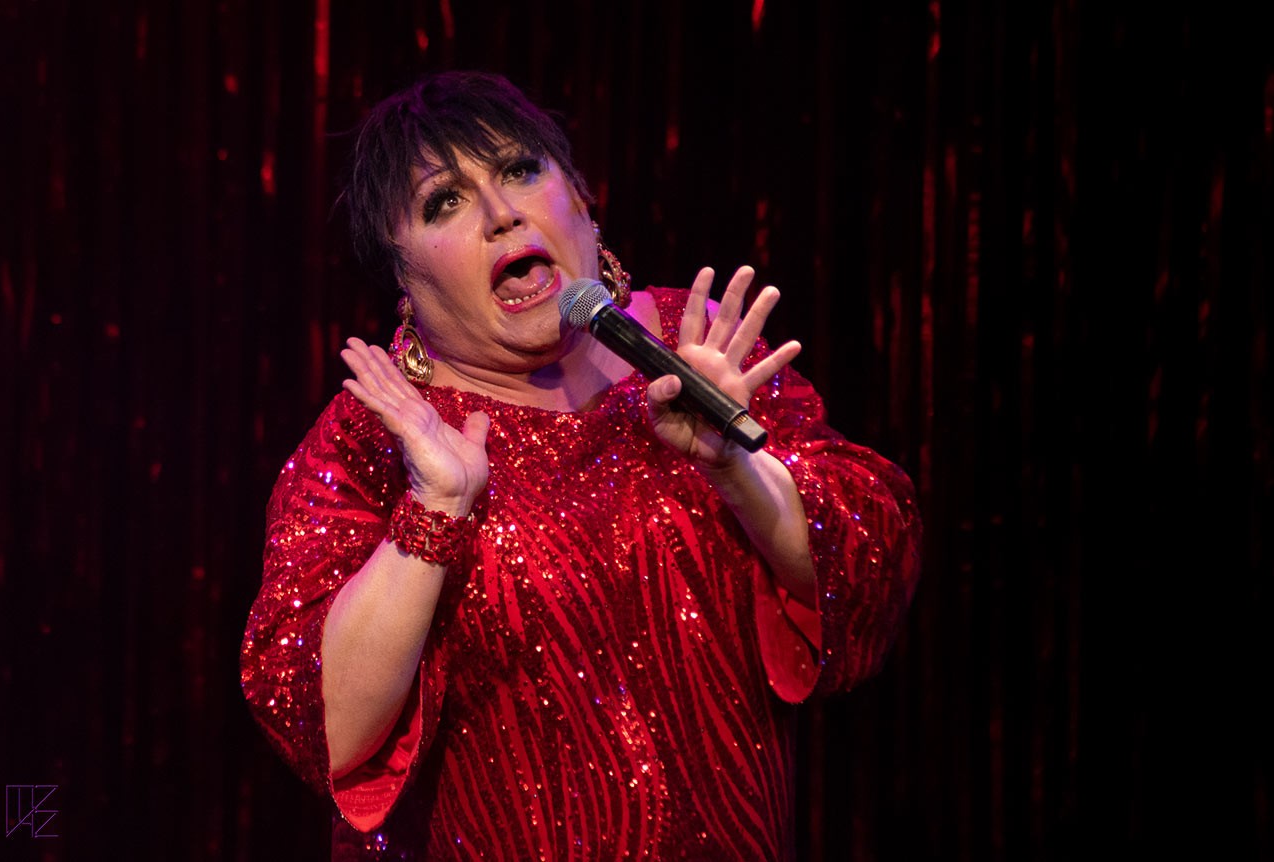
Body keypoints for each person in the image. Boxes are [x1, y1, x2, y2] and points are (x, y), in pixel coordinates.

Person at [241, 69, 921, 860]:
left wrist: (734, 467)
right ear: (402, 275)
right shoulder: (374, 434)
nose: (500, 214)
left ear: (583, 199)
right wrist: (433, 512)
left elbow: (866, 570)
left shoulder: (695, 346)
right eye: (444, 202)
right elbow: (323, 726)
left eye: (519, 170)